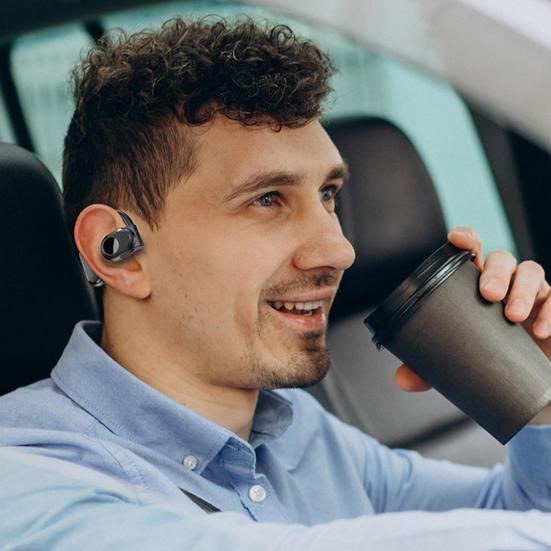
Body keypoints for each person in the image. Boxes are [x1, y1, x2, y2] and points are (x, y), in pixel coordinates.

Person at [1, 16, 551, 550]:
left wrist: (540, 392)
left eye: (328, 195)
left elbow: (513, 511)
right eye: (266, 200)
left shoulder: (296, 430)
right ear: (118, 251)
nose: (340, 250)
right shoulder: (27, 480)